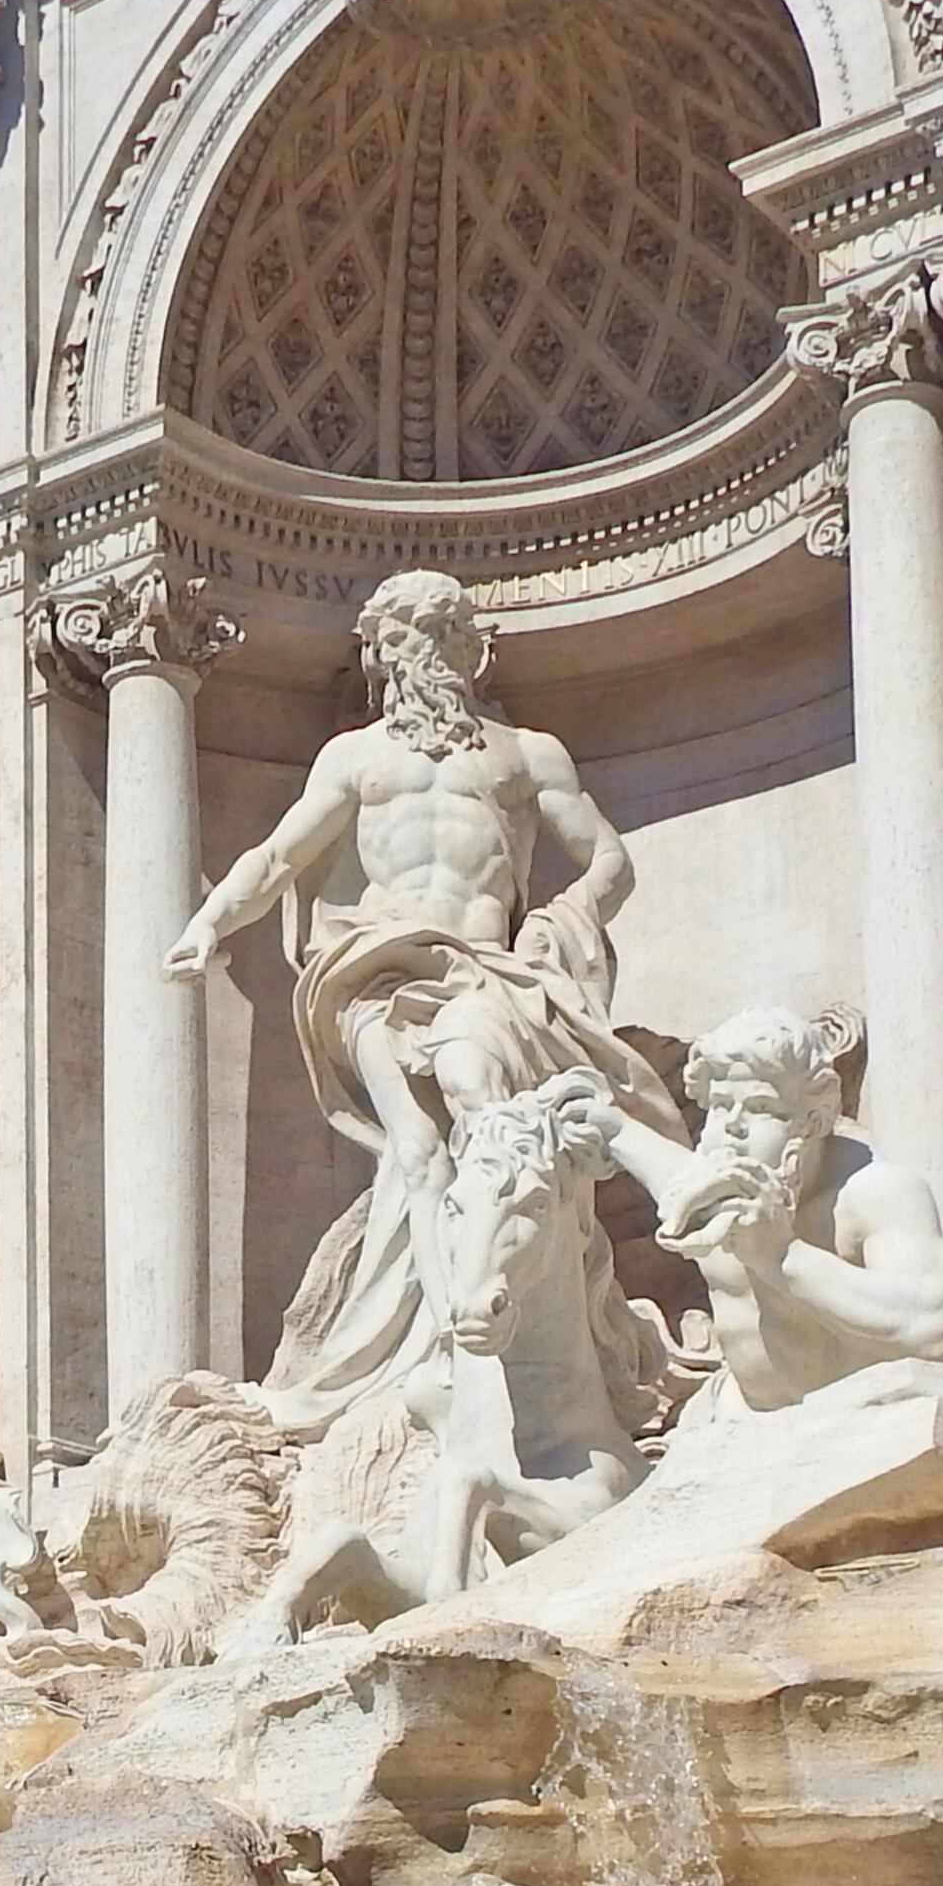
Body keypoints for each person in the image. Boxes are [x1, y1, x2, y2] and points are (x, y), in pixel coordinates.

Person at [166, 572, 685, 1427]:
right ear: (377, 656)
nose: (425, 653)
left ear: (476, 648)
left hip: (487, 971)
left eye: (442, 631)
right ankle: (446, 1344)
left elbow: (609, 860)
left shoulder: (526, 753)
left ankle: (496, 1317)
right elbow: (274, 857)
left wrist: (561, 926)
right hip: (376, 968)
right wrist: (209, 924)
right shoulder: (356, 758)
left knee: (488, 1115)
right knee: (415, 1149)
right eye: (406, 637)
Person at [645, 1011, 943, 1411]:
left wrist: (781, 1254)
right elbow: (655, 1159)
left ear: (813, 1120)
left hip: (858, 1426)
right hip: (738, 1423)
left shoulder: (875, 1191)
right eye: (721, 1105)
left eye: (760, 1107)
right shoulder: (709, 1194)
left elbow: (931, 1326)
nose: (732, 1127)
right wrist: (604, 1123)